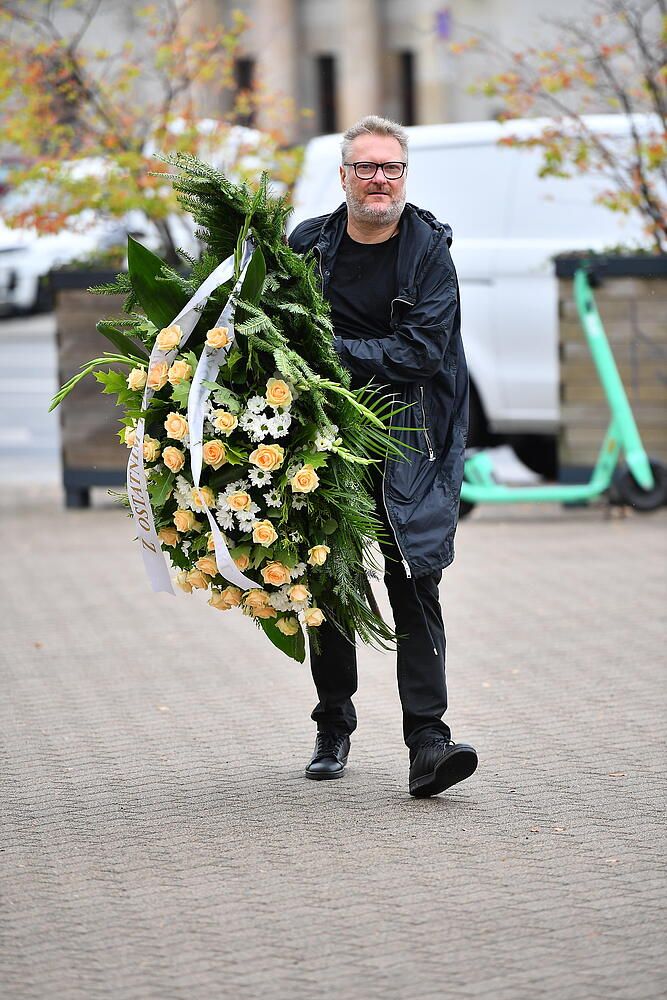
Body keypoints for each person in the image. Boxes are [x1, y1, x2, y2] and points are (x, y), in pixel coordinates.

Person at [288, 115, 477, 798]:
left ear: (403, 176)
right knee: (328, 583)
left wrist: (329, 355)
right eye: (365, 167)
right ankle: (332, 723)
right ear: (342, 176)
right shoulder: (308, 243)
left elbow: (420, 355)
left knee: (413, 582)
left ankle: (428, 742)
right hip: (323, 438)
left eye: (390, 167)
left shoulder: (428, 253)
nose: (378, 179)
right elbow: (279, 333)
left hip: (409, 442)